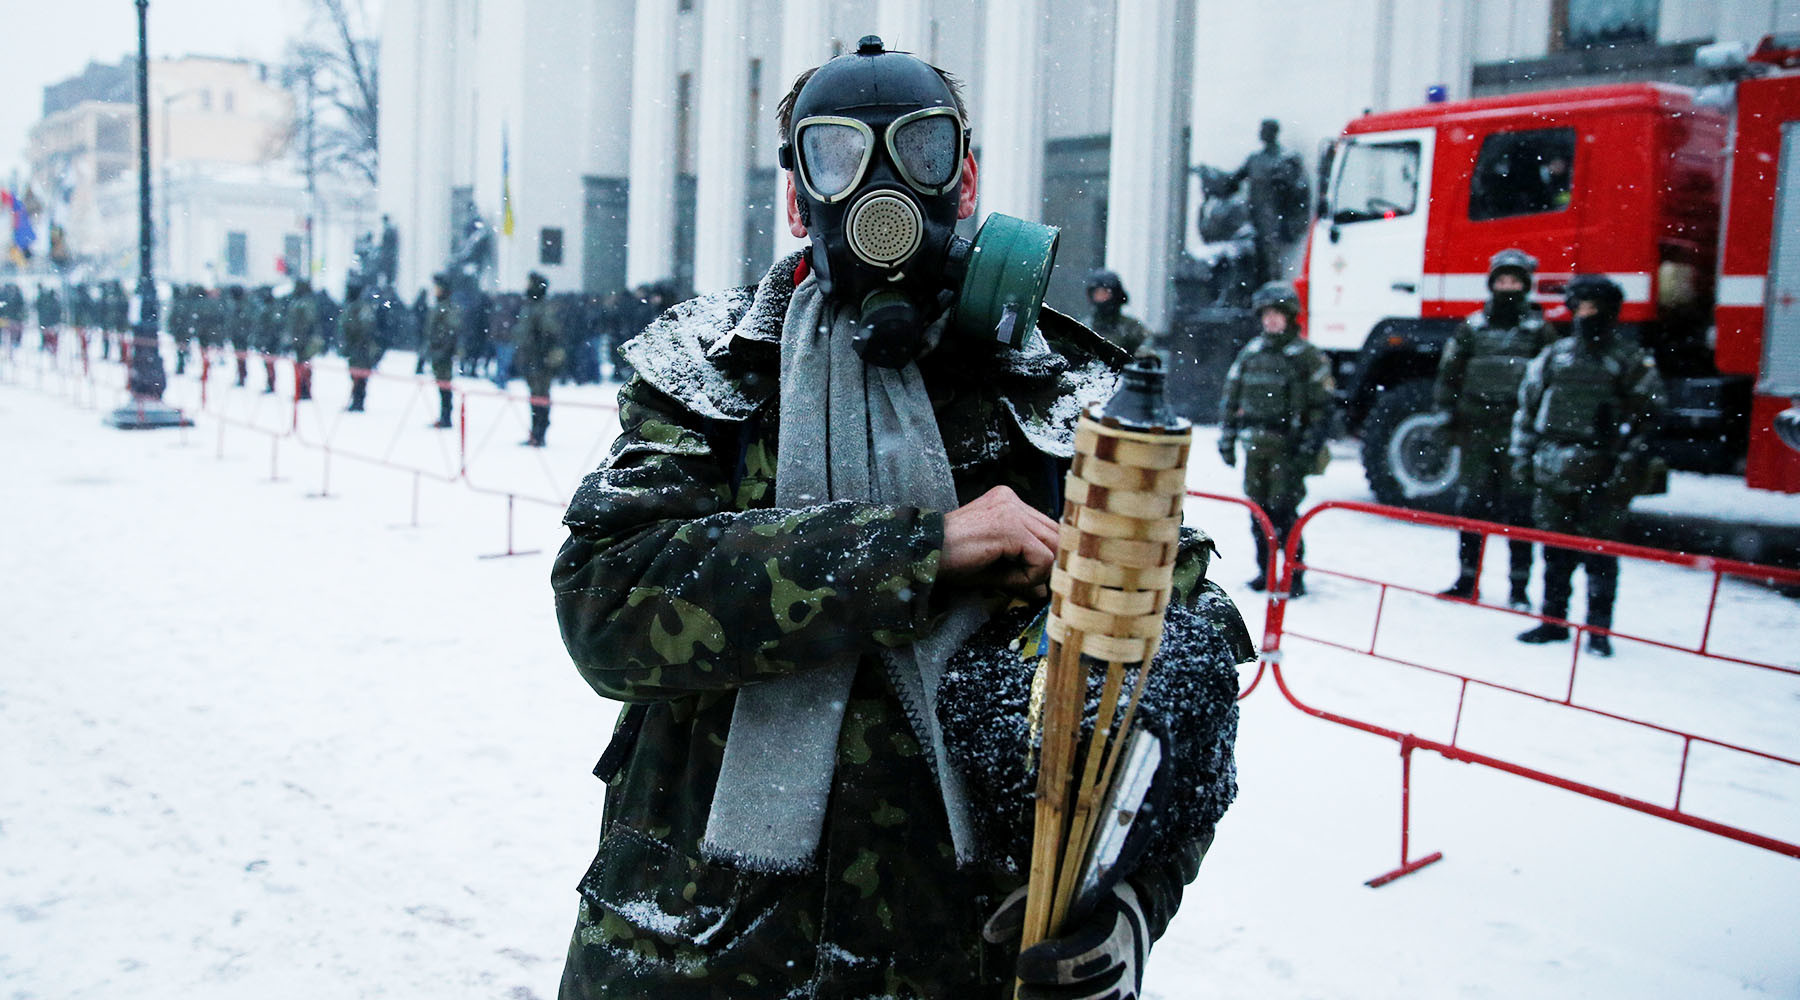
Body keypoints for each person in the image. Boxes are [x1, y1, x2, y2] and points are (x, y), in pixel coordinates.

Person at [552, 37, 1244, 1000]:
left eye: (918, 152)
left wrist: (1127, 909)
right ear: (798, 196)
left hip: (963, 957)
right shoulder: (712, 376)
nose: (881, 191)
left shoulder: (1066, 400)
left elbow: (1183, 693)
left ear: (964, 180)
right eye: (837, 156)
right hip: (704, 951)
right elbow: (606, 607)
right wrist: (924, 548)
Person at [1512, 276, 1664, 657]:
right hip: (1553, 465)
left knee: (1600, 553)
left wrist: (1627, 462)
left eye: (1592, 307)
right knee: (1555, 550)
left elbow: (1651, 415)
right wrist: (1522, 457)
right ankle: (1553, 622)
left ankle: (1598, 631)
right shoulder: (1555, 355)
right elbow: (1528, 408)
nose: (1584, 314)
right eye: (1579, 306)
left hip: (1604, 469)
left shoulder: (1627, 360)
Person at [1434, 249, 1556, 607]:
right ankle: (1467, 580)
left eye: (1515, 282)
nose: (1508, 288)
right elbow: (1449, 374)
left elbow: (1551, 383)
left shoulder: (1539, 331)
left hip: (1517, 433)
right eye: (1502, 281)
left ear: (1525, 286)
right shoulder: (1472, 328)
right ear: (1491, 284)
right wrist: (1445, 416)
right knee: (1472, 507)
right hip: (1477, 432)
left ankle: (1519, 589)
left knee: (1521, 511)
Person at [1217, 280, 1334, 597]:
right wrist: (1226, 439)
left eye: (1277, 314)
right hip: (1255, 445)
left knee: (1284, 512)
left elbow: (1321, 408)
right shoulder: (1251, 353)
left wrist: (1308, 448)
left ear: (1290, 316)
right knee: (1258, 512)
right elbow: (1231, 398)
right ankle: (1265, 572)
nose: (1271, 320)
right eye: (1266, 314)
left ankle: (1294, 575)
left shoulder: (1306, 356)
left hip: (1288, 448)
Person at [1221, 119, 1308, 286]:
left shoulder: (1284, 159)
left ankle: (1273, 295)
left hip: (1272, 216)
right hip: (1252, 216)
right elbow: (1232, 181)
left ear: (1273, 133)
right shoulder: (1254, 159)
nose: (1261, 133)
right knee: (1251, 257)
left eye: (1264, 130)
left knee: (1271, 257)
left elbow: (1296, 190)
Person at [515, 272, 563, 447]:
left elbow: (550, 334)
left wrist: (543, 356)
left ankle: (540, 433)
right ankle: (535, 432)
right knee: (535, 396)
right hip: (531, 358)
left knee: (540, 396)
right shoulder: (530, 306)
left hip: (540, 360)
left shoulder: (542, 307)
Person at [1085, 269, 1154, 357]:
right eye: (1097, 293)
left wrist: (1144, 356)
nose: (1101, 297)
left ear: (1116, 294)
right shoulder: (1086, 326)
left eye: (1105, 292)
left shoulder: (1132, 327)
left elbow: (1147, 349)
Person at [340, 283, 384, 411]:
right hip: (355, 347)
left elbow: (366, 328)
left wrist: (358, 341)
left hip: (361, 348)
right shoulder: (352, 307)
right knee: (355, 374)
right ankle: (356, 400)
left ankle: (359, 402)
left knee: (361, 376)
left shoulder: (362, 308)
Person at [425, 273, 461, 428]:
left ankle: (446, 417)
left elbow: (452, 330)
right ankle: (444, 416)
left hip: (444, 353)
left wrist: (444, 347)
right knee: (441, 385)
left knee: (445, 386)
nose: (435, 291)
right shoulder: (440, 306)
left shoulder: (448, 307)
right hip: (438, 351)